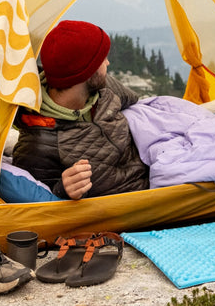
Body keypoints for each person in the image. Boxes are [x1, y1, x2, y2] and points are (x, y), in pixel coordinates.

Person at [11, 20, 148, 199]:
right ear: (84, 73)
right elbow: (39, 203)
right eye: (101, 59)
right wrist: (63, 190)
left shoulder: (105, 89)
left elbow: (138, 106)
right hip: (132, 210)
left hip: (161, 182)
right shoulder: (38, 145)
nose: (107, 63)